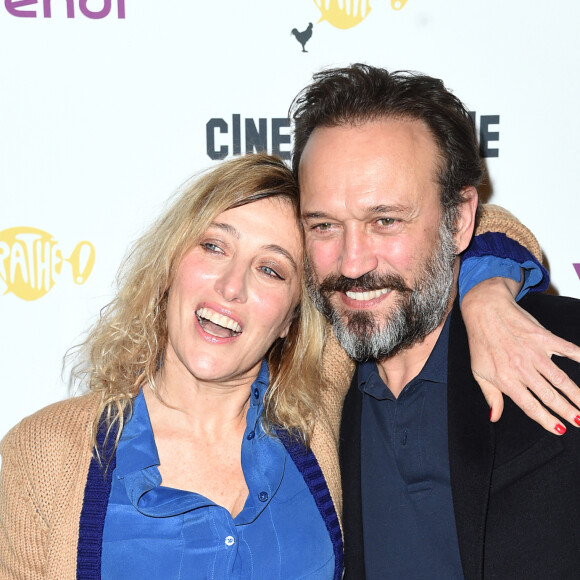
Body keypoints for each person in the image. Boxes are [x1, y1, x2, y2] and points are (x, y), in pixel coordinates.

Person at [291, 63, 580, 579]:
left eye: (386, 221)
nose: (353, 263)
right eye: (325, 225)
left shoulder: (565, 351)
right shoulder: (298, 402)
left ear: (461, 218)